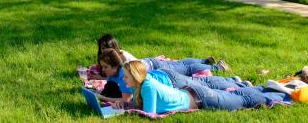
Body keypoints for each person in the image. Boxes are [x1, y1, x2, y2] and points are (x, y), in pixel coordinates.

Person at [114, 60, 289, 114]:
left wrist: (127, 110)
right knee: (237, 95)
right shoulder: (141, 86)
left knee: (241, 100)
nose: (124, 80)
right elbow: (142, 106)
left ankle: (281, 95)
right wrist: (124, 105)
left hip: (201, 98)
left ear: (136, 76)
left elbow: (150, 114)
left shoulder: (147, 87)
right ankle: (263, 88)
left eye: (126, 77)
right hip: (194, 93)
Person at [95, 49, 250, 103]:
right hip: (164, 76)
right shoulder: (116, 75)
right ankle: (233, 80)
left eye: (106, 67)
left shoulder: (124, 75)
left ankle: (233, 80)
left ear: (115, 65)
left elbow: (126, 100)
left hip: (169, 81)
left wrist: (101, 98)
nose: (104, 70)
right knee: (199, 81)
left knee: (202, 84)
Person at [94, 34, 229, 77]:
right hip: (150, 63)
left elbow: (122, 77)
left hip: (154, 67)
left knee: (185, 68)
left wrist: (100, 78)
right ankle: (205, 60)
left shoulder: (120, 58)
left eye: (105, 48)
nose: (103, 52)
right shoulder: (115, 58)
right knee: (181, 64)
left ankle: (218, 67)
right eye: (102, 49)